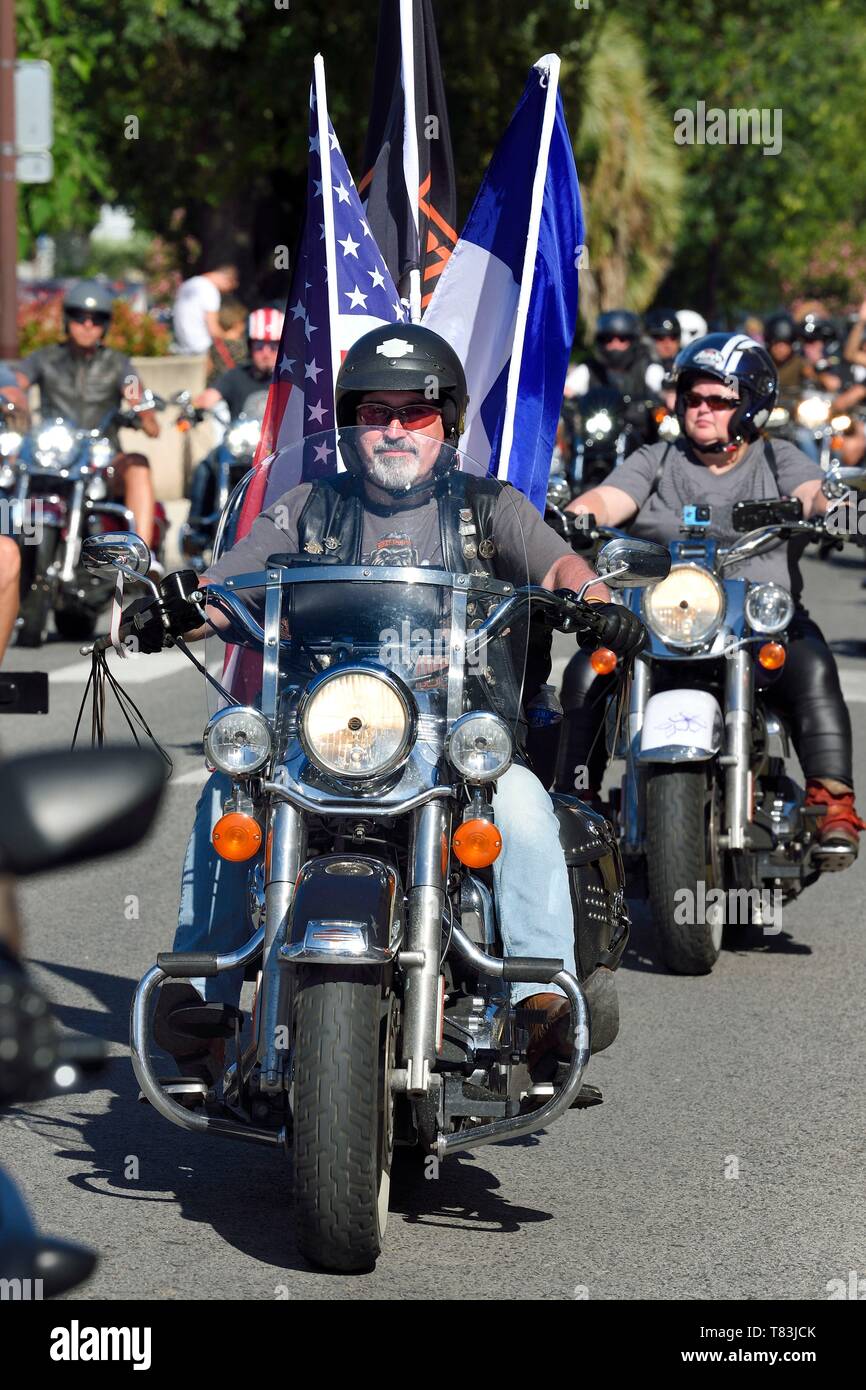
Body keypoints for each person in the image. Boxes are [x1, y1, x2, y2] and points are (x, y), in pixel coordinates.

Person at [128, 324, 645, 1081]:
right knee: (224, 797)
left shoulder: (486, 508)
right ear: (350, 424)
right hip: (325, 735)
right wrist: (179, 605)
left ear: (449, 424)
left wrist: (593, 600)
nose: (395, 429)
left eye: (416, 412)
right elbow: (231, 580)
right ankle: (203, 1003)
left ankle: (540, 1000)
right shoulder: (310, 505)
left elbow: (561, 562)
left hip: (455, 736)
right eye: (377, 413)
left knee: (527, 808)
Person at [557, 331, 865, 861]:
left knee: (813, 664)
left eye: (720, 401)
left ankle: (831, 797)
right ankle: (572, 797)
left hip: (758, 622)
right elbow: (611, 496)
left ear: (750, 406)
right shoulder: (658, 458)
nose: (702, 410)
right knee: (589, 669)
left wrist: (830, 507)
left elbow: (814, 491)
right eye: (694, 398)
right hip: (660, 618)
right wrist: (577, 515)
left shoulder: (777, 459)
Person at [16, 280, 159, 560]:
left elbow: (135, 392)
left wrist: (145, 414)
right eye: (80, 318)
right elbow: (16, 383)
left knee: (139, 465)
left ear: (104, 325)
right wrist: (10, 400)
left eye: (96, 320)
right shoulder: (44, 359)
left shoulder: (118, 364)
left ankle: (142, 557)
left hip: (102, 459)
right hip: (54, 455)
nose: (87, 325)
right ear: (68, 320)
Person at [564, 309, 664, 446]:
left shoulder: (647, 368)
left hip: (640, 441)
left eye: (622, 339)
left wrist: (663, 397)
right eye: (608, 339)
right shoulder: (590, 368)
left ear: (633, 341)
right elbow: (567, 390)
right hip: (595, 438)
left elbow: (664, 389)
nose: (614, 345)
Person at [194, 307, 283, 417]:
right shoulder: (236, 375)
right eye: (259, 345)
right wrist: (198, 405)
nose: (266, 353)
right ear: (250, 347)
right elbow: (209, 397)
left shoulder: (292, 380)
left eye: (273, 346)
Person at [172, 263, 239, 355]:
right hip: (201, 347)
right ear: (228, 280)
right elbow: (213, 329)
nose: (225, 292)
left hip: (183, 347)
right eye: (228, 289)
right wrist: (229, 336)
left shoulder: (189, 284)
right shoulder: (210, 290)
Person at [205, 297, 248, 384]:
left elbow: (208, 370)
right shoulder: (242, 346)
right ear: (237, 324)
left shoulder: (215, 344)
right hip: (234, 386)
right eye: (243, 322)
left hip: (217, 385)